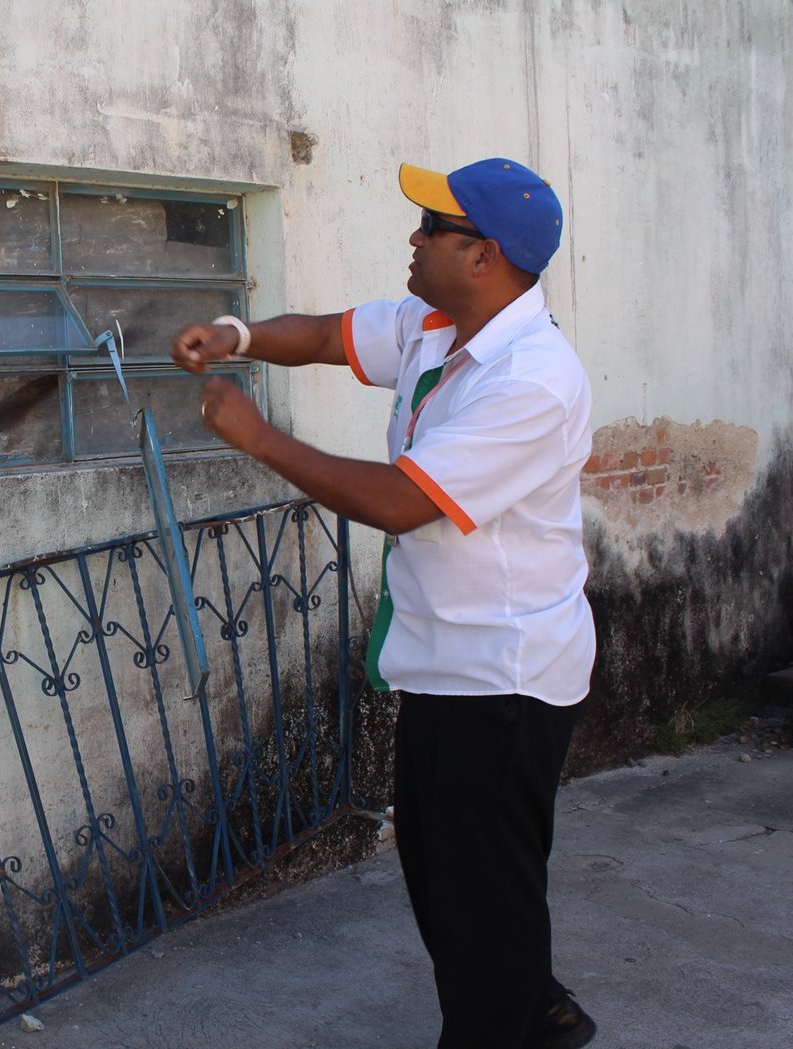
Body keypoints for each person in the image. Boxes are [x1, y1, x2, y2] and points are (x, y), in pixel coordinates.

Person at [170, 158, 597, 1049]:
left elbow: (403, 499)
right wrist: (234, 333)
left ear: (482, 256)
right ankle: (541, 1010)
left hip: (506, 676)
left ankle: (503, 1023)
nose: (413, 239)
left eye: (431, 228)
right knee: (455, 881)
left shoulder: (532, 378)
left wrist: (260, 438)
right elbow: (328, 334)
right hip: (442, 661)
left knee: (479, 899)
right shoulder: (438, 326)